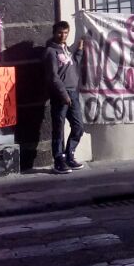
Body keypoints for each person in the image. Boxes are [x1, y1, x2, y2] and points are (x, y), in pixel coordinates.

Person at [43, 20, 85, 174]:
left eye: (66, 32)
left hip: (73, 93)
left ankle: (70, 154)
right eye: (60, 32)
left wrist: (79, 51)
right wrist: (63, 94)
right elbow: (53, 77)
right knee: (59, 128)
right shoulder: (50, 52)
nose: (63, 35)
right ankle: (58, 159)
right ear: (54, 33)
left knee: (78, 126)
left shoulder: (66, 49)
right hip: (60, 94)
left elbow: (72, 66)